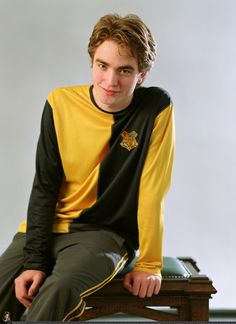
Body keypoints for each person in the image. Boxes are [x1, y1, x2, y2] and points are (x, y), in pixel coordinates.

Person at [0, 13, 175, 321]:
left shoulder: (155, 108)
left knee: (60, 288)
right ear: (92, 61)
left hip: (103, 234)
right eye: (102, 66)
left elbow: (152, 191)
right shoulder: (59, 103)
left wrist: (149, 264)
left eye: (124, 70)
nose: (110, 80)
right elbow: (45, 186)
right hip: (47, 228)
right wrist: (33, 261)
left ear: (142, 75)